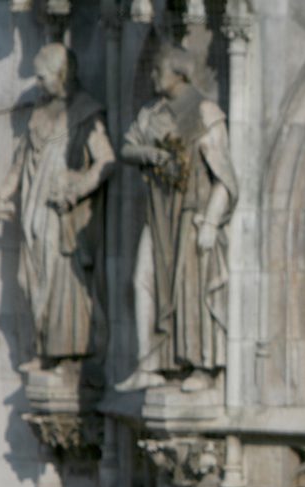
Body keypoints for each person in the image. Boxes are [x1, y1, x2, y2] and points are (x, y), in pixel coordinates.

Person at [0, 43, 114, 377]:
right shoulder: (39, 113)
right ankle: (43, 349)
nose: (38, 83)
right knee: (28, 280)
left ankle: (65, 356)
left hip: (61, 215)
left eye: (42, 76)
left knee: (59, 283)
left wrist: (78, 186)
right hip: (33, 216)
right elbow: (19, 163)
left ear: (62, 74)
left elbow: (107, 161)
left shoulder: (85, 111)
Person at [116, 45, 237, 393]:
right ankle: (149, 364)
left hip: (192, 215)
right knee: (142, 279)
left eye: (158, 70)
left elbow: (225, 179)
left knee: (191, 289)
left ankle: (200, 366)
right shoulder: (151, 113)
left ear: (179, 73)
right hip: (159, 214)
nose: (153, 76)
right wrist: (148, 153)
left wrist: (212, 222)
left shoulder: (204, 112)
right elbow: (126, 148)